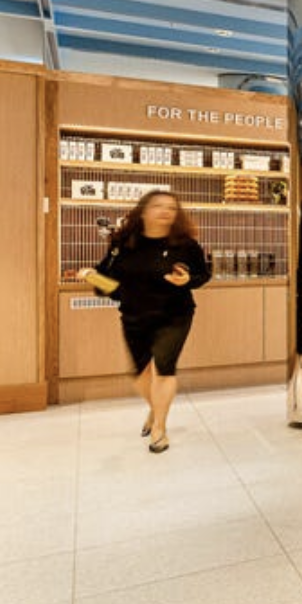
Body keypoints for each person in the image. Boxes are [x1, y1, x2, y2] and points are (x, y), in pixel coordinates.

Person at [83, 191, 212, 453]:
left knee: (164, 367)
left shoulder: (185, 245)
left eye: (171, 207)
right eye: (158, 206)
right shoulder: (123, 242)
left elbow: (203, 274)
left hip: (175, 314)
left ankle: (159, 429)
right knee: (140, 373)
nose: (165, 211)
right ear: (143, 211)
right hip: (134, 315)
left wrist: (187, 280)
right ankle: (156, 409)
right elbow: (108, 280)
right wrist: (91, 277)